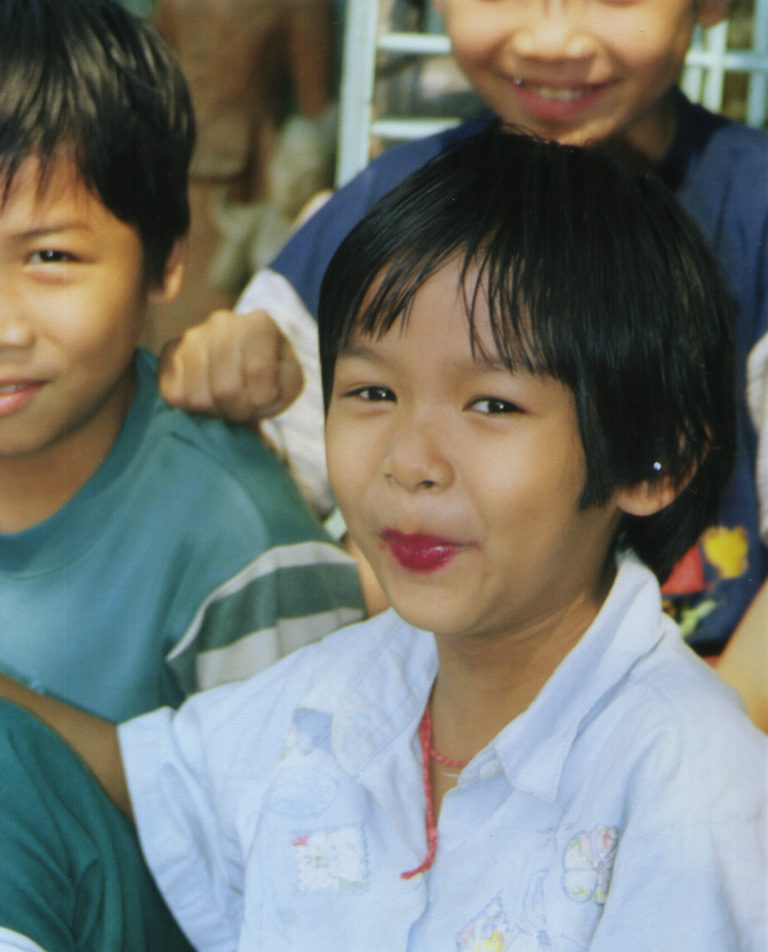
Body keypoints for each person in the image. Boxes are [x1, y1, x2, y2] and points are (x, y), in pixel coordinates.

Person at [1, 128, 765, 952]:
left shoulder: (690, 783)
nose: (410, 463)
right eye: (372, 391)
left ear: (656, 461)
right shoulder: (350, 688)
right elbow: (135, 780)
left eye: (492, 405)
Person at [158, 0, 767, 664]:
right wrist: (233, 381)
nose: (551, 37)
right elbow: (250, 491)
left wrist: (715, 731)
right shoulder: (389, 208)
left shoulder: (755, 214)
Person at [0, 0, 364, 724]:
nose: (5, 325)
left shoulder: (236, 541)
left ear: (166, 261)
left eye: (51, 256)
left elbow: (303, 825)